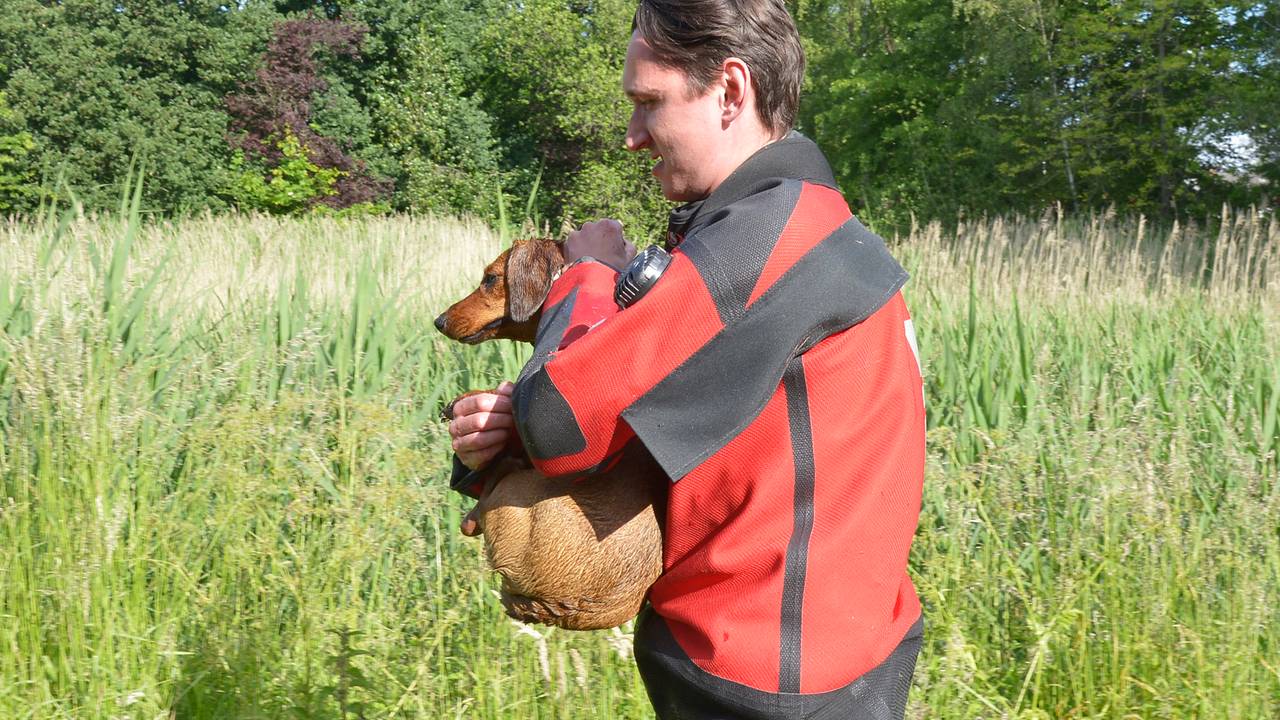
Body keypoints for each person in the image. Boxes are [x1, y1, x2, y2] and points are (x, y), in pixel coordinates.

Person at [447, 0, 926, 716]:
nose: (633, 136)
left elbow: (561, 425)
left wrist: (586, 273)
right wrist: (500, 439)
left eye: (648, 103)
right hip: (834, 654)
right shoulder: (814, 227)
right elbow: (694, 424)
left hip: (762, 673)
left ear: (730, 90)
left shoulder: (766, 238)